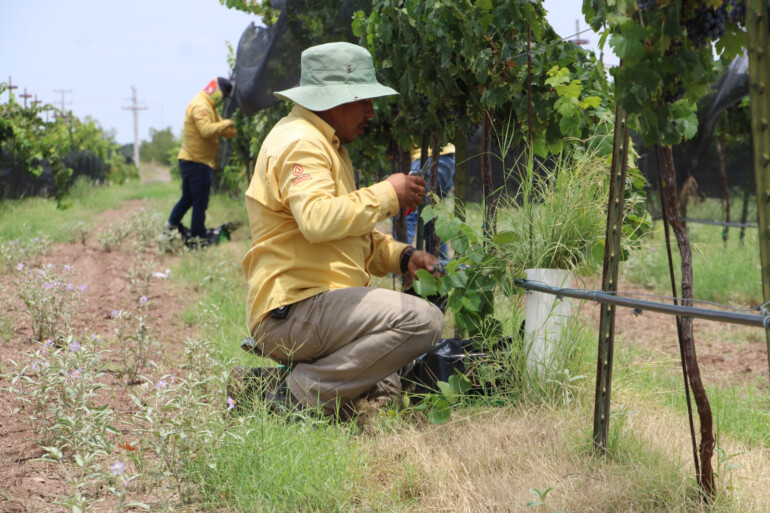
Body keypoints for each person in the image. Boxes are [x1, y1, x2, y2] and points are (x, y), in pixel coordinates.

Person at [238, 42, 445, 419]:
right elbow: (318, 220)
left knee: (383, 392)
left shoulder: (326, 143)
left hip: (315, 306)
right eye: (363, 100)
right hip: (297, 309)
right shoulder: (301, 143)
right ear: (332, 98)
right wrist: (387, 193)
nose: (371, 112)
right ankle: (296, 396)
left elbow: (347, 233)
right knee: (423, 320)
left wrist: (404, 257)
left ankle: (258, 388)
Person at [167, 77, 236, 244]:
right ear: (218, 91)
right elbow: (206, 130)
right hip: (196, 162)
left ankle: (169, 229)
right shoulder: (201, 106)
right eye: (224, 95)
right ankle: (198, 237)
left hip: (194, 161)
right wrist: (227, 123)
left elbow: (219, 128)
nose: (224, 99)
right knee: (200, 202)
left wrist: (232, 130)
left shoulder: (209, 106)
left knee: (188, 199)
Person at [403, 144, 455, 257]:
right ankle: (439, 262)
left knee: (408, 211)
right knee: (429, 215)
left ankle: (401, 258)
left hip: (428, 157)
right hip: (446, 159)